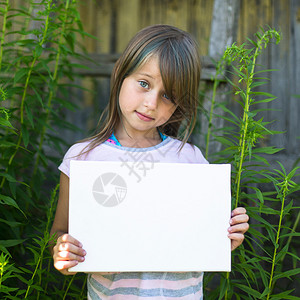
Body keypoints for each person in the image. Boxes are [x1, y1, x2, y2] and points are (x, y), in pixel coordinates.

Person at [50, 24, 249, 300]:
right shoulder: (83, 158)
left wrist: (225, 236)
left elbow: (202, 238)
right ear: (121, 73)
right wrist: (62, 253)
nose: (151, 103)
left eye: (168, 95)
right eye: (144, 84)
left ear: (179, 104)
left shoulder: (190, 160)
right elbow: (59, 233)